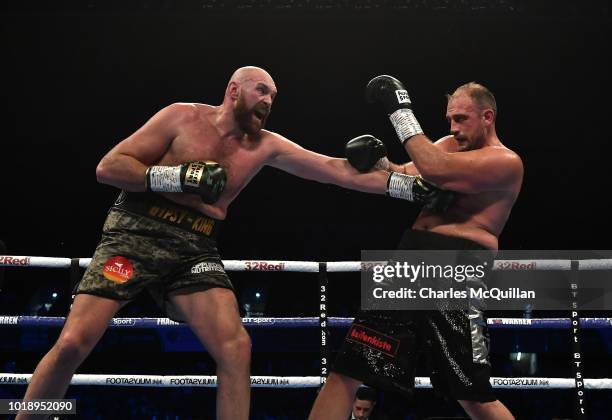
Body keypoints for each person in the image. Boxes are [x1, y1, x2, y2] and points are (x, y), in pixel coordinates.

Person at [18, 67, 452, 420]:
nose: (267, 101)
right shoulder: (181, 117)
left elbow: (333, 169)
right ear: (233, 90)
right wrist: (174, 176)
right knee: (75, 342)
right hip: (133, 237)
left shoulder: (264, 145)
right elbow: (109, 167)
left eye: (273, 97)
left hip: (195, 249)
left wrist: (404, 187)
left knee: (236, 347)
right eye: (261, 90)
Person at [309, 77, 523, 420]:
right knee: (348, 370)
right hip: (409, 262)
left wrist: (400, 111)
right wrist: (379, 164)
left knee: (473, 394)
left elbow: (435, 169)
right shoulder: (448, 147)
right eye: (450, 119)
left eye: (461, 119)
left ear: (487, 117)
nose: (453, 128)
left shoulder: (506, 162)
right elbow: (405, 173)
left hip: (458, 268)